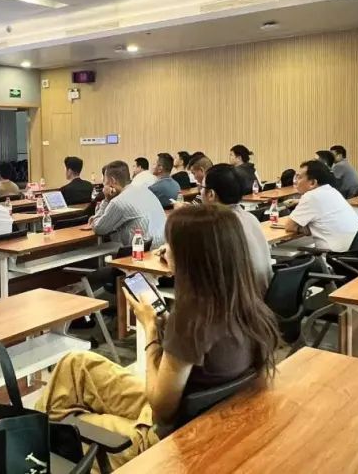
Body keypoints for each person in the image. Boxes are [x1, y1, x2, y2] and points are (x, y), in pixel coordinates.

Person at [36, 205, 280, 470]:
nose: (164, 250)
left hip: (164, 440)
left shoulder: (191, 320)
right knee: (75, 364)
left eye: (170, 244)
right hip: (196, 412)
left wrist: (151, 329)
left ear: (190, 257)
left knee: (53, 426)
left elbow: (161, 410)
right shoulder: (247, 304)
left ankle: (34, 446)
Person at [201, 164, 273, 290]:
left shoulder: (214, 225)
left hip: (237, 297)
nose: (200, 192)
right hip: (263, 294)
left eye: (201, 187)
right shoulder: (250, 218)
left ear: (211, 194)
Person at [283, 160, 358, 252]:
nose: (296, 181)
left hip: (333, 255)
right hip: (354, 250)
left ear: (313, 183)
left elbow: (289, 226)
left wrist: (306, 229)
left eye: (299, 177)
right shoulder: (331, 190)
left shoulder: (311, 196)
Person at [90, 161, 167, 248]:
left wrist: (106, 200)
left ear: (112, 181)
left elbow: (99, 229)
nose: (104, 185)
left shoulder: (118, 202)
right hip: (163, 245)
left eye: (105, 181)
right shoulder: (145, 190)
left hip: (143, 251)